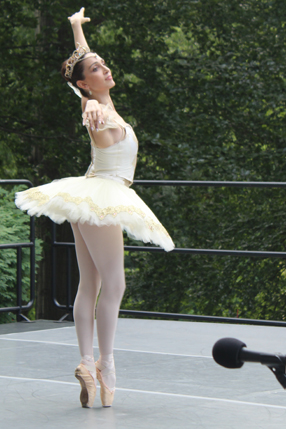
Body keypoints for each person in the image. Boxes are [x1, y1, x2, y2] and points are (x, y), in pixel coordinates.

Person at [15, 8, 175, 407]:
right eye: (97, 68)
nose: (105, 68)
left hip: (88, 194)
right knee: (114, 283)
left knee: (91, 283)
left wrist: (75, 27)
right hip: (103, 194)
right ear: (85, 84)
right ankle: (106, 363)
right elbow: (99, 131)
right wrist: (91, 113)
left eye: (104, 65)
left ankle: (87, 363)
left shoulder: (99, 97)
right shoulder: (96, 110)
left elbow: (83, 62)